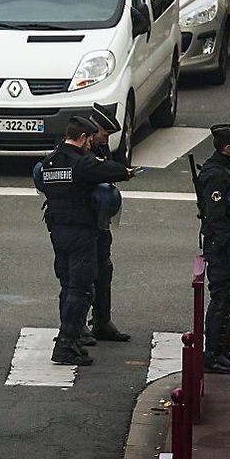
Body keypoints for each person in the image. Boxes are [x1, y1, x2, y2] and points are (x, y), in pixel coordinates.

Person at [40, 116, 134, 366]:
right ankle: (66, 344)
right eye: (90, 140)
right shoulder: (80, 164)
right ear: (82, 138)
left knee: (68, 284)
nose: (91, 145)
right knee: (81, 289)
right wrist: (126, 172)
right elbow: (107, 170)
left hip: (57, 231)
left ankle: (73, 340)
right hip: (81, 233)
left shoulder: (50, 162)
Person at [198, 124, 230, 374]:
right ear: (227, 147)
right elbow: (215, 215)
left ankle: (223, 349)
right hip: (221, 244)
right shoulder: (215, 174)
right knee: (221, 296)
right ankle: (212, 354)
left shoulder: (227, 169)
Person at [85, 102, 132, 343]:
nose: (106, 141)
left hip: (100, 222)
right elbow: (98, 171)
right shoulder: (78, 150)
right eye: (104, 135)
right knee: (81, 275)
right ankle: (75, 326)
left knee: (104, 270)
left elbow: (115, 167)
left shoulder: (100, 149)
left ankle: (102, 320)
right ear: (92, 131)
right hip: (82, 223)